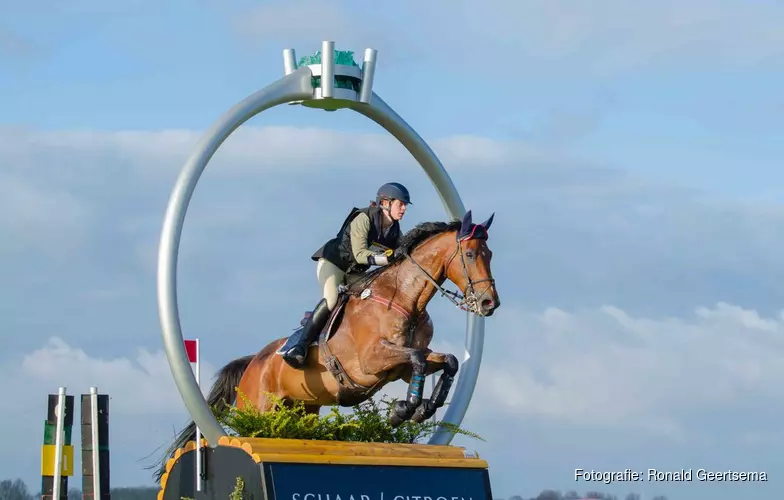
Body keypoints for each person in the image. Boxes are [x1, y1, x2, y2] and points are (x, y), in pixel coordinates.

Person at [281, 182, 412, 369]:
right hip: (333, 264)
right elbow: (360, 255)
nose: (404, 209)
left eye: (405, 205)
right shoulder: (363, 218)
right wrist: (387, 258)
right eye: (401, 204)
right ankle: (300, 347)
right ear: (385, 202)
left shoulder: (394, 230)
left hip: (355, 274)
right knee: (332, 299)